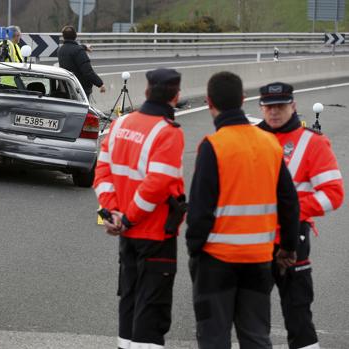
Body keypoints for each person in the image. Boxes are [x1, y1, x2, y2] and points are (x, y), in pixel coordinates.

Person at [186, 71, 300, 349]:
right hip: (260, 260)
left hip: (216, 260)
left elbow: (200, 210)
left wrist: (194, 250)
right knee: (256, 338)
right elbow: (289, 202)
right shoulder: (269, 144)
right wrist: (286, 247)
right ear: (244, 100)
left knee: (214, 337)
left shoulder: (213, 146)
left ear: (209, 102)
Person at [94, 68, 186, 349]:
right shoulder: (168, 133)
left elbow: (102, 174)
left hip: (126, 233)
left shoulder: (120, 125)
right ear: (176, 96)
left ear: (146, 92)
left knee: (130, 301)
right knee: (152, 309)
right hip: (154, 234)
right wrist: (130, 219)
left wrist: (114, 215)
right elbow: (156, 185)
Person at [258, 82, 344, 349]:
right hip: (253, 241)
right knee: (251, 316)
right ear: (261, 107)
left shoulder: (313, 143)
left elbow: (333, 194)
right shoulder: (251, 139)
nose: (274, 113)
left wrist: (291, 212)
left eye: (280, 106)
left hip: (292, 240)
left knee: (298, 314)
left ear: (293, 106)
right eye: (269, 107)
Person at [57, 25, 106, 98]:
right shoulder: (78, 51)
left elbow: (71, 49)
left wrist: (85, 47)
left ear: (63, 36)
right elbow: (87, 71)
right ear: (75, 35)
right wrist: (100, 84)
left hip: (67, 87)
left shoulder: (60, 50)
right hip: (80, 88)